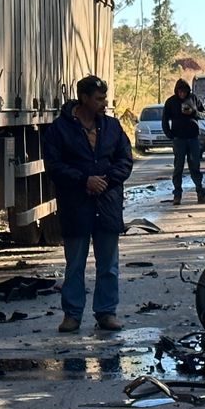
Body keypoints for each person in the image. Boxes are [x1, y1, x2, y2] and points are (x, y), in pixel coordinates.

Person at [44, 75, 134, 334]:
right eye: (98, 98)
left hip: (107, 204)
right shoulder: (59, 130)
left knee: (109, 264)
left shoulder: (112, 127)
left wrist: (106, 180)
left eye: (104, 98)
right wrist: (84, 180)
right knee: (75, 264)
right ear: (83, 98)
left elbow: (125, 160)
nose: (103, 103)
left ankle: (106, 313)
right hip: (76, 205)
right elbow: (55, 166)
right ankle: (72, 315)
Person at [161, 78, 205, 205]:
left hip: (193, 138)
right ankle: (177, 195)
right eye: (180, 91)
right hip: (179, 139)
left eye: (184, 91)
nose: (182, 94)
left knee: (195, 167)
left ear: (188, 91)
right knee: (178, 168)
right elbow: (165, 119)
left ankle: (201, 194)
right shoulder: (171, 102)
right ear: (176, 91)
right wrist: (169, 134)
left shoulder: (194, 99)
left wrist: (194, 112)